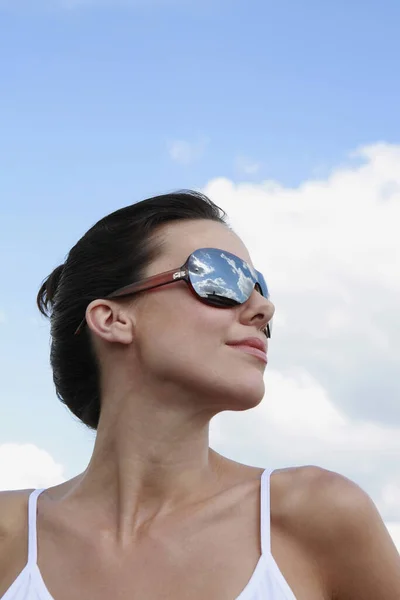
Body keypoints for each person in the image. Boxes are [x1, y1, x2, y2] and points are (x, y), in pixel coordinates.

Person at [0, 190, 399, 600]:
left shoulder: (316, 516)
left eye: (258, 286)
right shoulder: (8, 534)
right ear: (112, 319)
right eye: (221, 277)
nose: (264, 308)